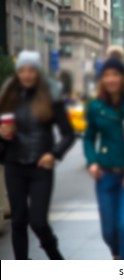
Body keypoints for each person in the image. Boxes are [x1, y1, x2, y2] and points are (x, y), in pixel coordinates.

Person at [0, 51, 75, 259]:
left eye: (31, 70)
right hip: (14, 164)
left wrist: (54, 154)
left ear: (37, 72)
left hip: (41, 166)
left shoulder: (50, 96)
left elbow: (69, 134)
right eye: (22, 70)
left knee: (38, 222)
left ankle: (55, 257)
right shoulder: (8, 96)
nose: (26, 75)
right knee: (18, 220)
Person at [83, 58, 124, 260]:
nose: (111, 79)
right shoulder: (95, 107)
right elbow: (88, 138)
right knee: (109, 232)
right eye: (107, 75)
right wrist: (92, 161)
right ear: (102, 79)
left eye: (115, 74)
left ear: (122, 78)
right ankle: (116, 254)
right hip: (105, 175)